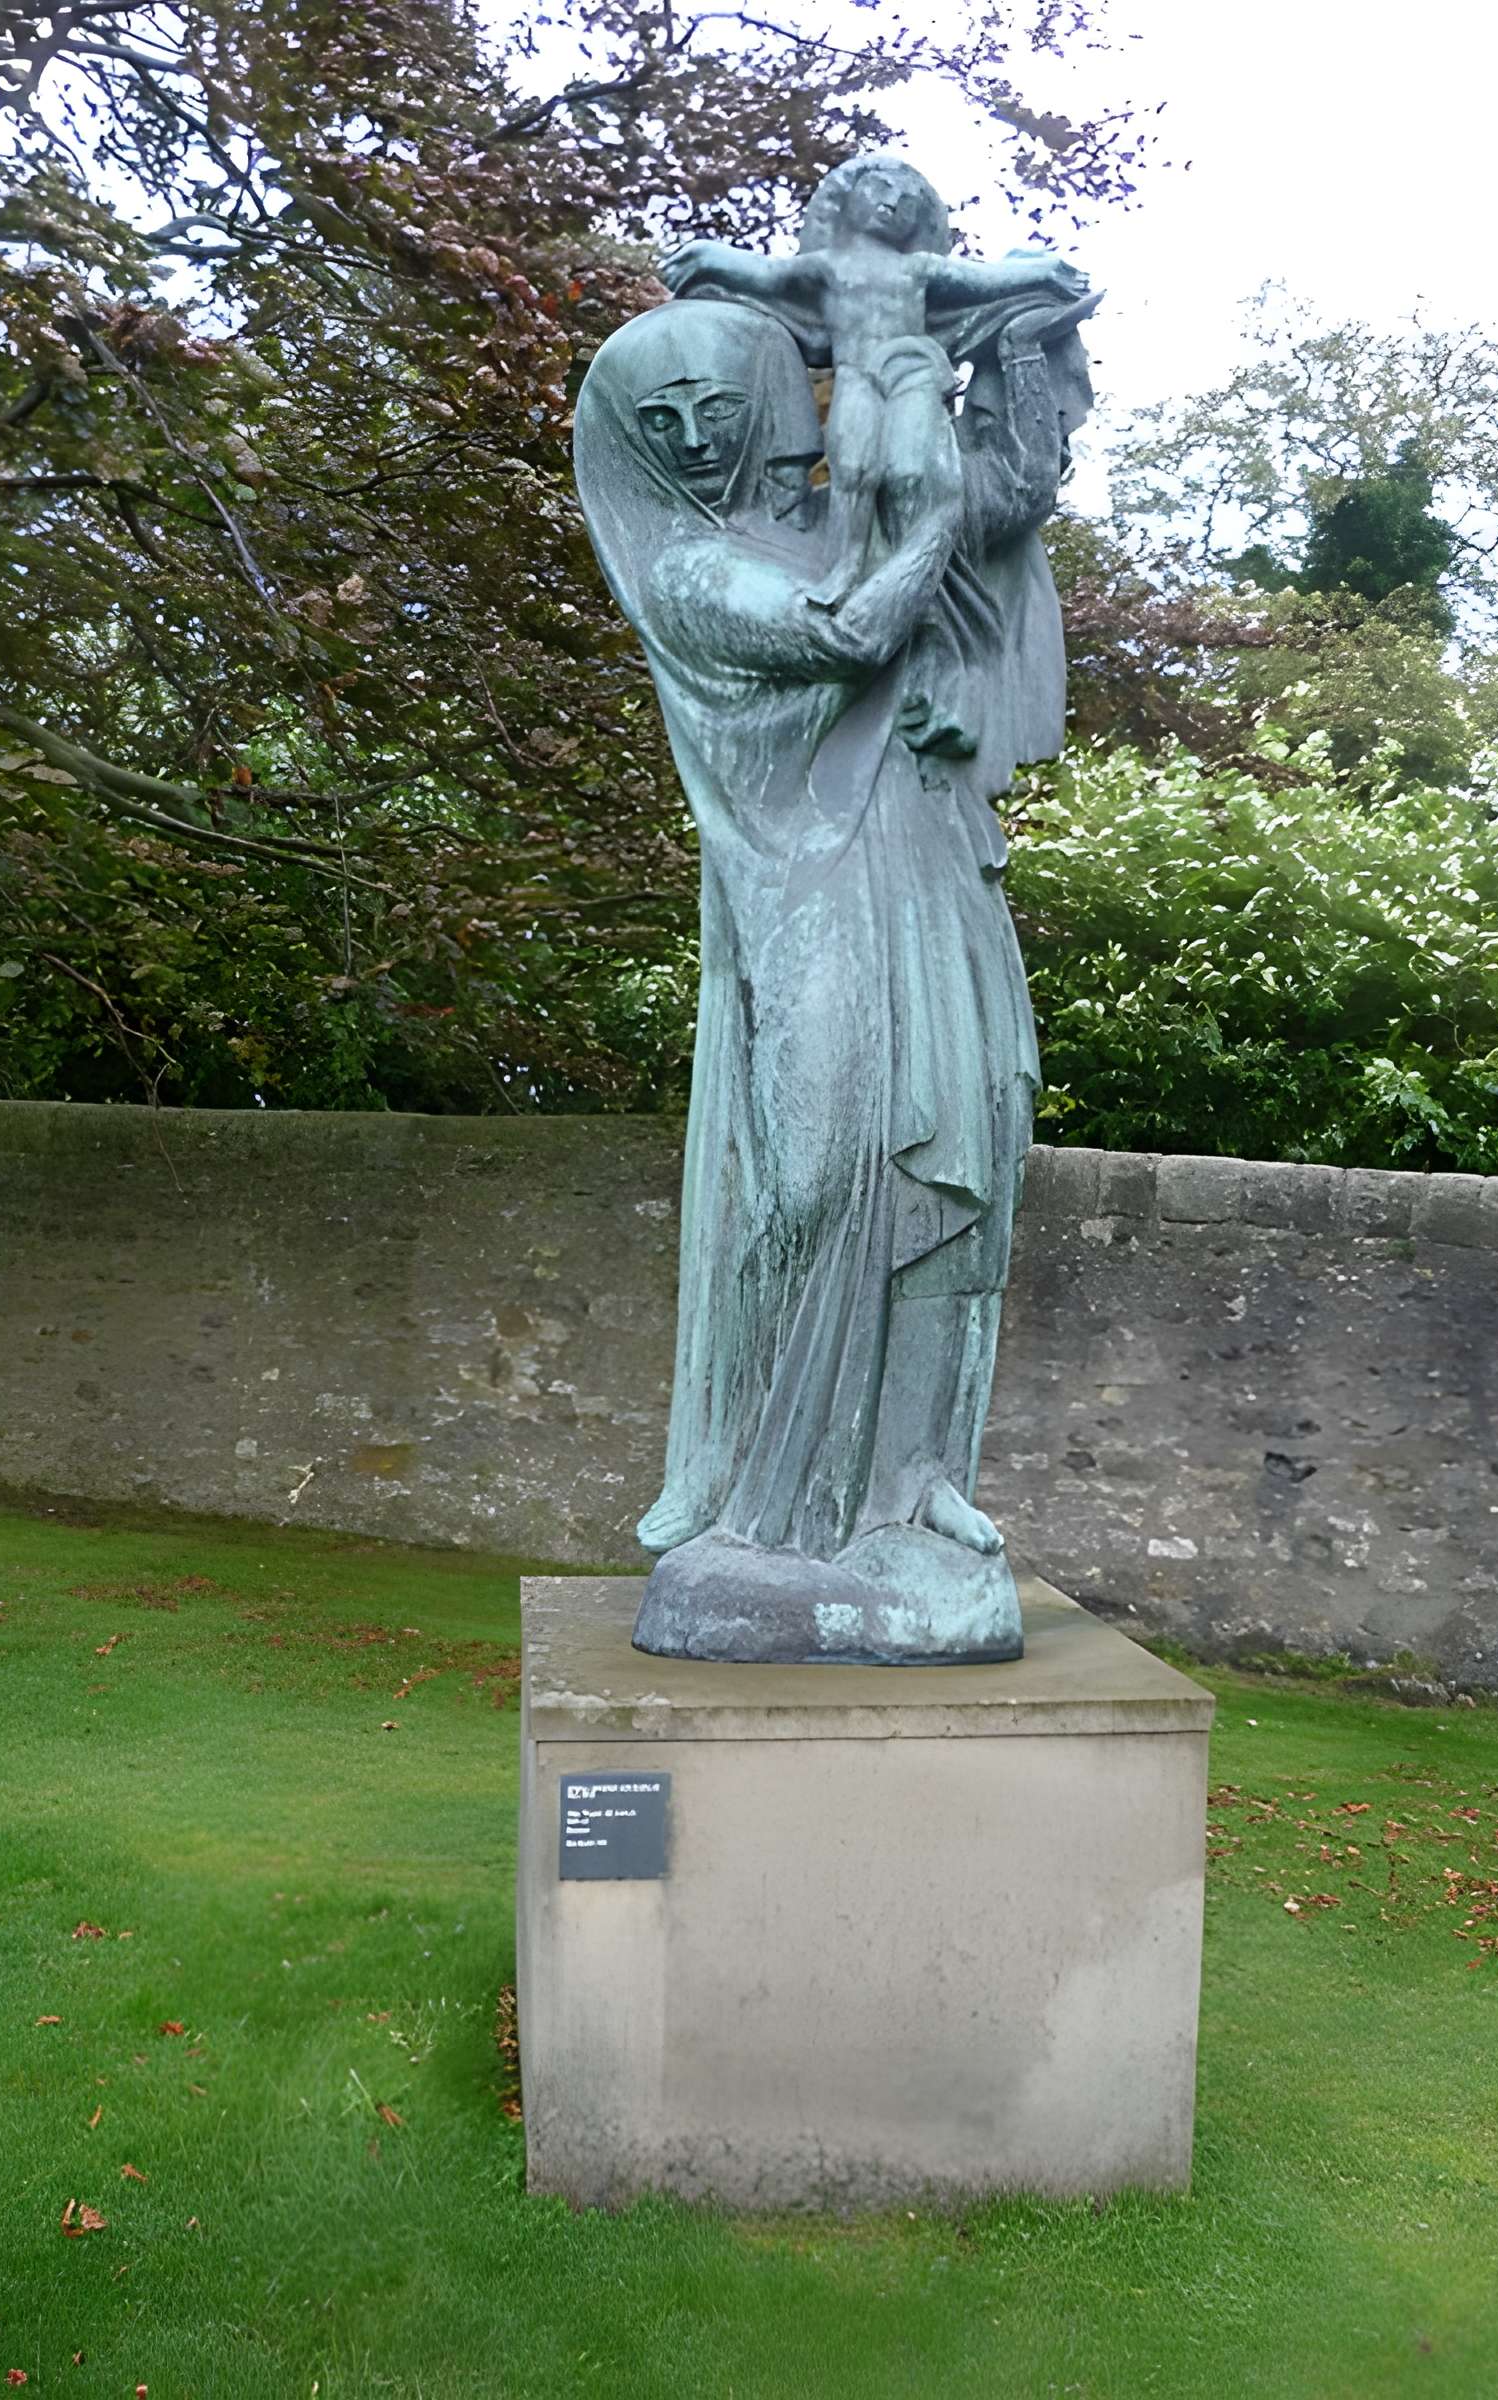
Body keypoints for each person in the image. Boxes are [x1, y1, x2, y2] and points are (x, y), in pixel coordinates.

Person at [573, 287, 1087, 1662]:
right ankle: (765, 1500)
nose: (688, 441)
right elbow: (856, 631)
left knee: (952, 1176)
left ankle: (911, 1488)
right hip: (806, 894)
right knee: (812, 1178)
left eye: (714, 409)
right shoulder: (689, 570)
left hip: (924, 873)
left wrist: (1016, 341)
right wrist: (933, 486)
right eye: (657, 421)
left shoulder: (848, 507)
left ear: (770, 405)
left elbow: (1018, 486)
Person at [663, 154, 1086, 610]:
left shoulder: (918, 268)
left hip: (910, 373)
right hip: (858, 378)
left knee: (913, 471)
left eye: (905, 201)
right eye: (880, 191)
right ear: (850, 201)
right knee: (852, 469)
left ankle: (917, 573)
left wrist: (1040, 271)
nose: (892, 203)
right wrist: (713, 257)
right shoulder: (827, 265)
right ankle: (845, 571)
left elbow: (982, 280)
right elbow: (766, 275)